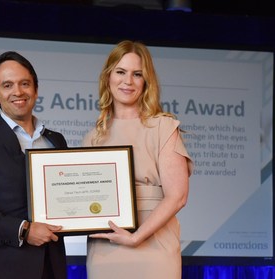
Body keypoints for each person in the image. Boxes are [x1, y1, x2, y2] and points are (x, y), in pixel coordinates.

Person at [82, 40, 193, 279]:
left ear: (146, 81)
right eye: (120, 72)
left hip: (154, 249)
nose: (128, 81)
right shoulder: (93, 137)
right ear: (108, 76)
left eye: (137, 74)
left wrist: (136, 236)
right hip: (105, 250)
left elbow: (178, 196)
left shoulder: (163, 126)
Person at [0, 51, 68, 279]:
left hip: (52, 266)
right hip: (1, 267)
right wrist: (24, 230)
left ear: (35, 89)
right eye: (7, 85)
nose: (18, 92)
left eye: (24, 83)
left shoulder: (56, 140)